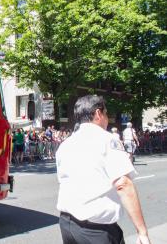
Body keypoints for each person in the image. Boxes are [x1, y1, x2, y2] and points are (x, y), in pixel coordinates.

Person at [56, 95, 150, 244]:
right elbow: (123, 184)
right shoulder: (107, 139)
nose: (107, 118)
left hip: (67, 224)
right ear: (98, 114)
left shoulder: (66, 144)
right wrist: (142, 231)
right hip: (96, 230)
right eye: (106, 113)